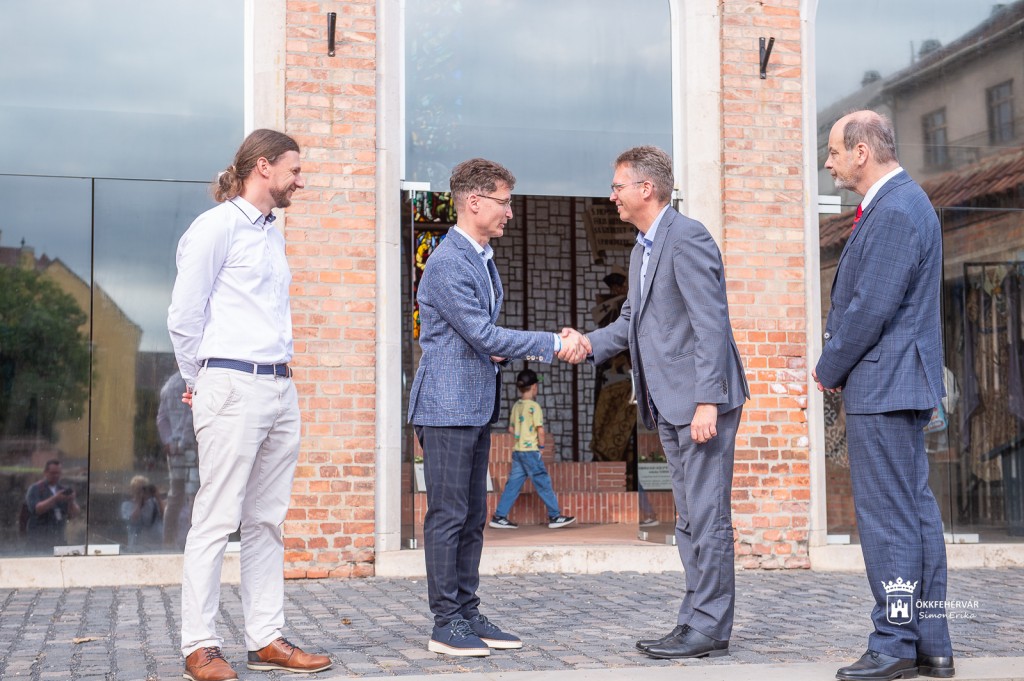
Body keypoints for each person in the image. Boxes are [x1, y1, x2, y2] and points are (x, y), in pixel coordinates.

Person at [407, 157, 588, 658]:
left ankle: (467, 611)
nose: (510, 212)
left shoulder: (481, 258)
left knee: (471, 516)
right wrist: (553, 342)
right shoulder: (448, 261)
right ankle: (446, 622)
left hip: (472, 406)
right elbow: (482, 334)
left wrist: (494, 348)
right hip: (445, 408)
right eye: (504, 202)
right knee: (448, 515)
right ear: (474, 201)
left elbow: (478, 338)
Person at [167, 129, 331, 681]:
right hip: (232, 383)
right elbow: (183, 316)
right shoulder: (215, 227)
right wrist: (201, 381)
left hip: (280, 386)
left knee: (266, 519)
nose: (299, 181)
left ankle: (265, 638)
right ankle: (199, 646)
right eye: (294, 170)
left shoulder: (271, 234)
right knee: (216, 518)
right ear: (263, 166)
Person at [585, 145, 748, 660]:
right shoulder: (642, 250)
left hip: (700, 404)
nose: (612, 195)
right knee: (688, 518)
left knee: (707, 515)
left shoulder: (688, 237)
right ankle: (695, 619)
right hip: (671, 404)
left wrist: (708, 402)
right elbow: (629, 324)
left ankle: (710, 626)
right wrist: (585, 344)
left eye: (618, 186)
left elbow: (711, 324)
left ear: (646, 188)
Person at [813, 110, 954, 681]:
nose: (828, 163)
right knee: (914, 515)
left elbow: (870, 307)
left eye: (833, 152)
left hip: (885, 383)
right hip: (896, 381)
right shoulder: (903, 203)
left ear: (861, 152)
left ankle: (894, 642)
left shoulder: (894, 209)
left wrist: (828, 368)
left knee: (889, 519)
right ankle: (931, 643)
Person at [489, 369, 576, 530]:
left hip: (518, 451)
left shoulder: (517, 406)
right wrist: (541, 447)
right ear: (534, 386)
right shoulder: (534, 407)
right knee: (543, 482)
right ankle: (555, 516)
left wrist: (521, 437)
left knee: (513, 485)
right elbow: (540, 430)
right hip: (530, 452)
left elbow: (511, 429)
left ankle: (499, 516)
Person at [156, 371, 199, 548]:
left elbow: (161, 418)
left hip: (175, 449)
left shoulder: (169, 385)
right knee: (194, 496)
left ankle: (168, 542)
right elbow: (191, 416)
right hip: (191, 447)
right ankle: (193, 544)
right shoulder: (194, 381)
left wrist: (168, 441)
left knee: (176, 496)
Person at [24, 459, 80, 551]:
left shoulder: (63, 489)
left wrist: (71, 500)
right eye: (53, 473)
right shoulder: (36, 488)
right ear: (45, 473)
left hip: (58, 537)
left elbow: (75, 514)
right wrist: (55, 498)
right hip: (39, 539)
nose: (56, 476)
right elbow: (37, 509)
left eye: (58, 473)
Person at [124, 475, 164, 551]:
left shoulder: (153, 503)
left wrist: (158, 497)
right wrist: (139, 501)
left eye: (144, 490)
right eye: (139, 490)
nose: (142, 493)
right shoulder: (127, 505)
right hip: (136, 546)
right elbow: (133, 519)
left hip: (155, 545)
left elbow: (164, 516)